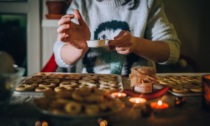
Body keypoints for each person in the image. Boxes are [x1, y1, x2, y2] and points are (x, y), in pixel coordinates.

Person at [53, 0, 181, 76]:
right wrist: (78, 48)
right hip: (89, 91)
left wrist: (136, 44)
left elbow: (172, 51)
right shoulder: (80, 4)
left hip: (137, 91)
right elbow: (60, 56)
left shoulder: (147, 3)